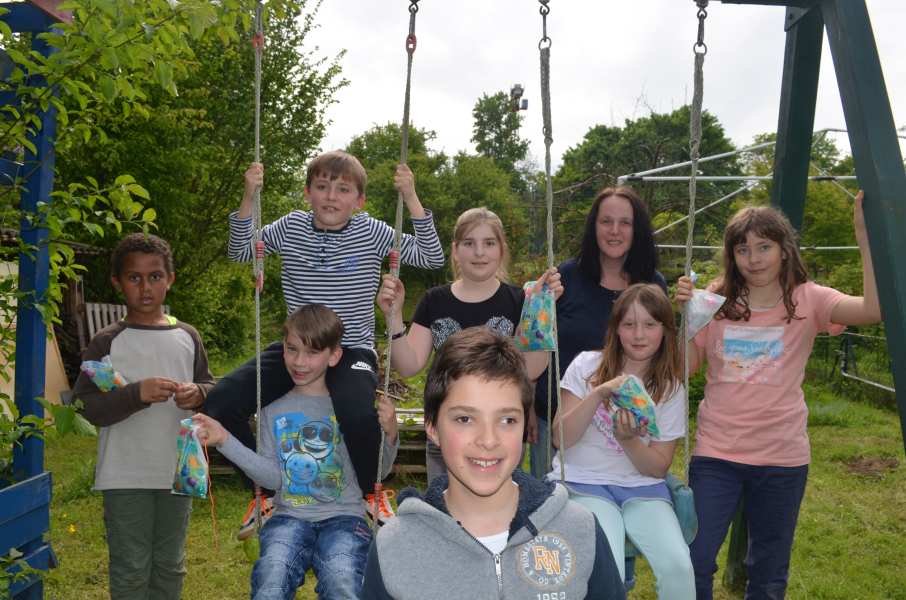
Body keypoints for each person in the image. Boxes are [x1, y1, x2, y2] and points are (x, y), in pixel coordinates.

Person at [204, 151, 444, 537]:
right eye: (322, 186)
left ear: (359, 200)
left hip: (351, 348)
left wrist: (411, 197)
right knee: (220, 402)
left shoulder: (372, 232)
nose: (331, 196)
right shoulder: (291, 227)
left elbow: (431, 256)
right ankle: (264, 494)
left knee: (357, 412)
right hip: (298, 348)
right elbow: (241, 250)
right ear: (308, 193)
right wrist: (249, 195)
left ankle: (370, 492)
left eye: (343, 189)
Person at [675, 192, 881, 599]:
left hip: (782, 457)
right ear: (732, 256)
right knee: (694, 559)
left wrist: (864, 236)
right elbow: (685, 368)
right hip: (717, 453)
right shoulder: (716, 299)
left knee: (768, 573)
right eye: (743, 249)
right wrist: (688, 318)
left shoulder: (810, 298)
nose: (753, 259)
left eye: (764, 247)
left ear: (785, 250)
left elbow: (873, 310)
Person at [362, 327, 626, 600]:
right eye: (465, 419)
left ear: (524, 425)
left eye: (507, 420)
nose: (488, 440)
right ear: (432, 428)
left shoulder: (579, 529)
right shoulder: (394, 547)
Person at [194, 304, 398, 600]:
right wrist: (225, 439)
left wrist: (391, 434)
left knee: (342, 581)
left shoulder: (348, 408)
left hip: (345, 518)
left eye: (312, 352)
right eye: (292, 350)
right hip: (288, 517)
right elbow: (273, 479)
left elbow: (379, 471)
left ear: (334, 356)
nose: (300, 362)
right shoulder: (272, 408)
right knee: (271, 579)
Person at [73, 233, 216, 600]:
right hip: (124, 474)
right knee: (131, 568)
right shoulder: (106, 342)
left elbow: (209, 386)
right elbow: (86, 407)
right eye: (134, 278)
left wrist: (198, 394)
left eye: (155, 276)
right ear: (117, 282)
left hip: (178, 470)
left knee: (170, 564)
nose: (145, 287)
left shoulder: (188, 336)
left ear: (170, 279)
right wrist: (135, 394)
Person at [377, 206, 561, 481]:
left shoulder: (520, 301)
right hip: (446, 433)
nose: (479, 252)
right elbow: (408, 365)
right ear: (455, 250)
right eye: (469, 243)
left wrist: (541, 309)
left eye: (489, 243)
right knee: (444, 505)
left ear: (501, 249)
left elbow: (531, 369)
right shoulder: (434, 300)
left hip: (498, 435)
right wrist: (393, 316)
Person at [549, 283, 695, 598]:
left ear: (665, 330)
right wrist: (598, 394)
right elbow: (561, 438)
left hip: (642, 488)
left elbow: (657, 468)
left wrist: (628, 440)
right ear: (616, 329)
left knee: (678, 566)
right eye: (629, 324)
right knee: (609, 563)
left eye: (650, 325)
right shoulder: (586, 366)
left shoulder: (670, 389)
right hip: (584, 482)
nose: (639, 335)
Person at [531, 186, 666, 479]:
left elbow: (665, 350)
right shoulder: (565, 278)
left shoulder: (652, 284)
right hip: (557, 418)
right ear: (593, 226)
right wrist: (526, 403)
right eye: (606, 221)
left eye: (625, 222)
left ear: (637, 230)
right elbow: (537, 340)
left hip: (624, 423)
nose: (614, 231)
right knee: (550, 501)